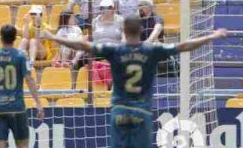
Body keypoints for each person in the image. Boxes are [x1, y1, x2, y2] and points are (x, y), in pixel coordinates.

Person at [41, 17, 227, 148]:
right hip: (141, 111)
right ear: (141, 31)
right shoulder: (151, 50)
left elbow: (82, 45)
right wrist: (211, 36)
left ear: (123, 31)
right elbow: (183, 46)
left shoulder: (115, 50)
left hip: (119, 111)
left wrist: (53, 37)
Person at [0, 24, 44, 148]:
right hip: (17, 108)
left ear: (1, 37)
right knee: (23, 145)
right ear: (15, 38)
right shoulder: (20, 56)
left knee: (0, 145)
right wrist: (38, 103)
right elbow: (29, 79)